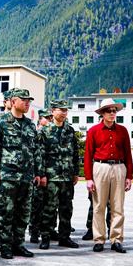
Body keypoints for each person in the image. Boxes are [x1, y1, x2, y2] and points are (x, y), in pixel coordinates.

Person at [0, 88, 39, 259]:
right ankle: (5, 245)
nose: (27, 103)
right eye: (24, 100)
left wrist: (37, 172)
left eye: (29, 100)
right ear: (13, 102)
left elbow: (35, 150)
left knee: (23, 213)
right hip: (7, 176)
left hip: (26, 176)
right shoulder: (0, 122)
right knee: (6, 212)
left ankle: (19, 244)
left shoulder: (30, 124)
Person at [84, 98, 133, 253]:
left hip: (119, 167)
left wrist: (129, 176)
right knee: (99, 205)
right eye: (109, 111)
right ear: (102, 113)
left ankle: (116, 239)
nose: (112, 113)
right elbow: (88, 155)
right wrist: (89, 178)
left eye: (114, 111)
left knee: (118, 206)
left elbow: (128, 154)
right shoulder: (93, 131)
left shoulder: (123, 131)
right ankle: (99, 239)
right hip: (100, 167)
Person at [38, 100, 80, 249]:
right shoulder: (44, 131)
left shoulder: (70, 130)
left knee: (66, 209)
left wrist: (76, 172)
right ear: (52, 111)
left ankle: (65, 237)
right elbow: (40, 155)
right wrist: (41, 174)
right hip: (51, 177)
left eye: (65, 110)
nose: (63, 113)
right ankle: (45, 237)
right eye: (61, 110)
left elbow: (75, 153)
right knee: (48, 209)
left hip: (67, 177)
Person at [29, 108, 53, 244]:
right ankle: (34, 231)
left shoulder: (50, 133)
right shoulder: (36, 133)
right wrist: (38, 173)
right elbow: (35, 154)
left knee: (48, 205)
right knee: (36, 205)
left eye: (50, 118)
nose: (49, 120)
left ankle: (49, 230)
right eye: (47, 118)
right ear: (40, 119)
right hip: (37, 173)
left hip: (49, 173)